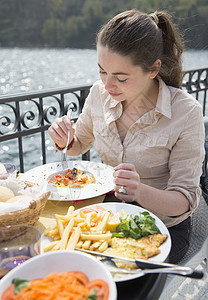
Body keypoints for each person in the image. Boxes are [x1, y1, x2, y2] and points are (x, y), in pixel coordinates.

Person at [48, 10, 205, 263]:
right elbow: (78, 144)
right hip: (109, 214)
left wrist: (139, 191)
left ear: (154, 69)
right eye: (102, 71)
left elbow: (184, 201)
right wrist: (63, 138)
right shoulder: (99, 93)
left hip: (162, 228)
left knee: (115, 269)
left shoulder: (185, 112)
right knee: (57, 255)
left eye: (121, 78)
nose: (107, 85)